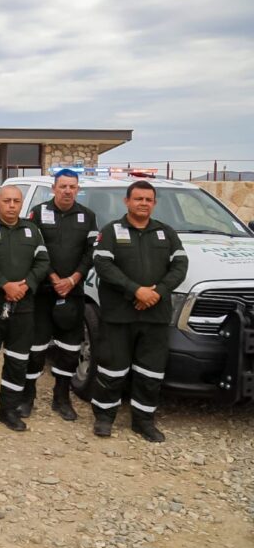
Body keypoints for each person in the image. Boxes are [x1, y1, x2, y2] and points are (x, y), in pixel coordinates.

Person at [90, 180, 188, 442]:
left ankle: (143, 421)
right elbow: (103, 265)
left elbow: (180, 265)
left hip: (154, 314)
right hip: (119, 315)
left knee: (150, 371)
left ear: (154, 203)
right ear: (127, 201)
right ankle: (104, 417)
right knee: (112, 368)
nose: (143, 203)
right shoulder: (111, 231)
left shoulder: (166, 233)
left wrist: (157, 292)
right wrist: (135, 290)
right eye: (138, 199)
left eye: (148, 199)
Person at [0, 185, 50, 433]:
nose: (12, 205)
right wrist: (4, 284)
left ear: (21, 203)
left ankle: (8, 410)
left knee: (17, 362)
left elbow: (43, 261)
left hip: (23, 306)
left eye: (16, 201)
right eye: (7, 201)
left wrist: (27, 285)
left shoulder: (32, 230)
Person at [23, 169, 98, 421]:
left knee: (69, 349)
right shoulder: (37, 213)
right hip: (44, 292)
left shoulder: (87, 217)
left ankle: (61, 398)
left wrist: (74, 279)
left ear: (78, 189)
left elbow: (90, 253)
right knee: (35, 349)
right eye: (63, 186)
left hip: (73, 293)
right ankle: (27, 397)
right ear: (53, 188)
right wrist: (54, 278)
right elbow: (34, 248)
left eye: (72, 187)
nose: (68, 191)